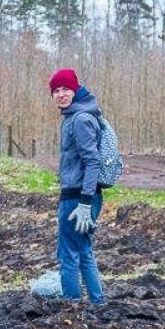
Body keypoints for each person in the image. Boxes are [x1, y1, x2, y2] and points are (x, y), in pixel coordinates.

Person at [49, 69, 106, 305]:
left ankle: (71, 305)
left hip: (78, 197)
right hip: (85, 195)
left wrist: (83, 202)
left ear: (75, 90)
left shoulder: (80, 119)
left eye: (65, 89)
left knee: (68, 253)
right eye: (56, 90)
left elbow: (93, 161)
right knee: (83, 250)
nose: (61, 94)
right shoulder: (76, 115)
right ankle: (97, 302)